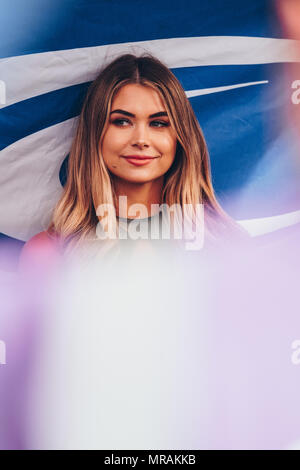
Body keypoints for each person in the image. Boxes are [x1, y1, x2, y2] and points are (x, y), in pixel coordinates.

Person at [19, 52, 245, 271]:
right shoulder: (47, 254)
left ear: (181, 138)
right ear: (95, 134)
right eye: (122, 122)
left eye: (158, 123)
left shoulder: (226, 246)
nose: (141, 140)